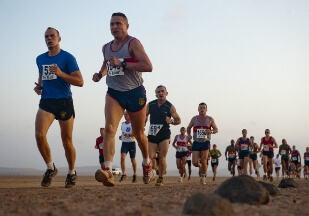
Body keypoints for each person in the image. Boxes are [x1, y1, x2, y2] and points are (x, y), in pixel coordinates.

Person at [92, 12, 153, 187]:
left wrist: (124, 64)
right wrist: (100, 74)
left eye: (118, 24)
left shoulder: (133, 44)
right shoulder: (106, 47)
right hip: (114, 93)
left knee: (139, 134)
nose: (115, 27)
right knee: (110, 128)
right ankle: (108, 171)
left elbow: (148, 66)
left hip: (135, 93)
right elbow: (107, 64)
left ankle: (147, 163)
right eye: (112, 24)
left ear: (127, 26)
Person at [34, 27, 84, 188]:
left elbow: (80, 82)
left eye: (52, 36)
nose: (49, 38)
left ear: (59, 38)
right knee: (39, 135)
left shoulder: (68, 58)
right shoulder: (40, 58)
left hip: (64, 101)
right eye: (46, 36)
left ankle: (71, 172)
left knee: (66, 141)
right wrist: (40, 86)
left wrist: (61, 74)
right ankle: (50, 168)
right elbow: (42, 73)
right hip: (47, 101)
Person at [146, 85, 181, 186]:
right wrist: (143, 124)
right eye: (158, 92)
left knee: (162, 157)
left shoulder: (170, 106)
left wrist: (172, 121)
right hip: (152, 133)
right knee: (150, 156)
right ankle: (154, 162)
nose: (160, 93)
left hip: (164, 134)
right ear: (156, 95)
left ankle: (160, 178)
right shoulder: (150, 104)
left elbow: (178, 120)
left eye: (162, 91)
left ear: (166, 93)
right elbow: (145, 115)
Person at [187, 102, 218, 185]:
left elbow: (216, 129)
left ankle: (203, 177)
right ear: (198, 109)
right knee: (194, 162)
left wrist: (210, 131)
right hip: (196, 142)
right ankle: (201, 166)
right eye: (200, 108)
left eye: (204, 108)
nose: (202, 109)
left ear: (206, 110)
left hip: (205, 142)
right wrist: (189, 135)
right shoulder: (194, 119)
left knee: (204, 160)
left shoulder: (210, 119)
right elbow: (188, 127)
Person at [118, 111, 137, 183]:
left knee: (132, 160)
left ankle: (134, 174)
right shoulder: (123, 124)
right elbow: (123, 132)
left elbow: (135, 132)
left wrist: (129, 135)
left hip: (131, 143)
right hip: (124, 143)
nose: (125, 116)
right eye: (124, 115)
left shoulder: (133, 123)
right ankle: (124, 174)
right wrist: (121, 136)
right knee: (122, 157)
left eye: (126, 114)